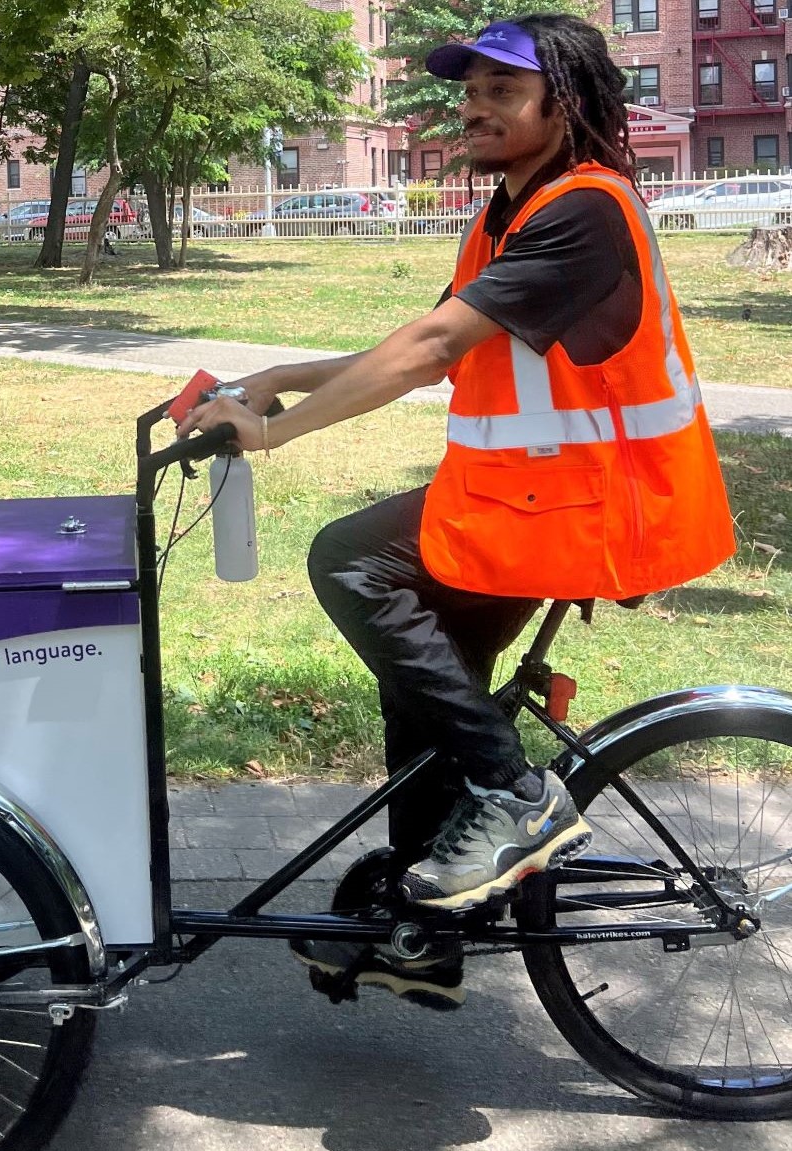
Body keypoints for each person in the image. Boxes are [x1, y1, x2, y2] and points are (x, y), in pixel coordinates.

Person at [176, 14, 734, 1008]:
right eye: (465, 90)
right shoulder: (509, 214)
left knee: (351, 559)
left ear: (563, 106)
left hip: (595, 510)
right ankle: (423, 927)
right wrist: (277, 380)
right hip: (528, 502)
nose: (470, 107)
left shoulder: (584, 212)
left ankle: (515, 795)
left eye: (499, 92)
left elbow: (432, 347)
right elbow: (430, 339)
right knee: (422, 681)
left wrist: (277, 432)